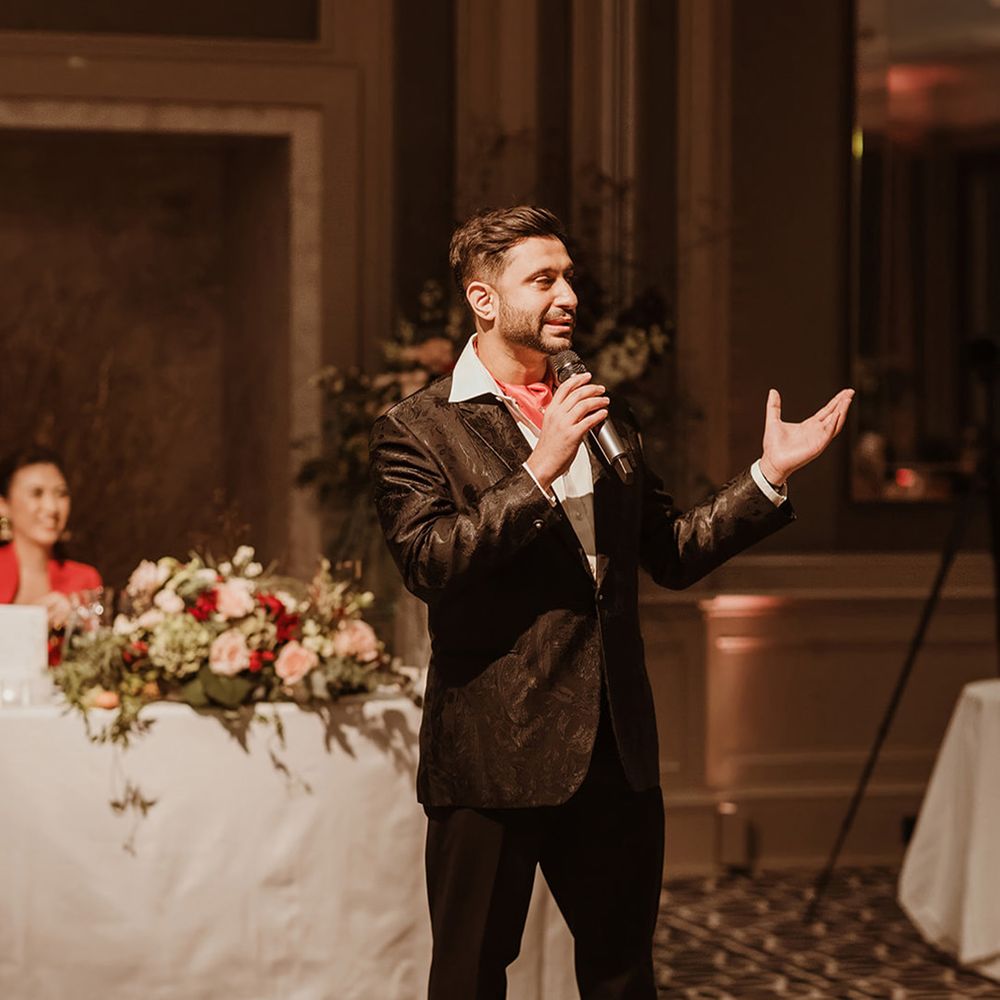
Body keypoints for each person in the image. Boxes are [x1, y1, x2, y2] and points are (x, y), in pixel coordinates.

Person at [369, 206, 853, 999]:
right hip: (492, 753)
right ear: (483, 301)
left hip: (613, 750)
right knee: (469, 974)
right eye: (544, 279)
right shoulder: (417, 429)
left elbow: (672, 552)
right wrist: (541, 464)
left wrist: (768, 477)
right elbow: (431, 563)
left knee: (623, 975)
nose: (568, 296)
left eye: (569, 278)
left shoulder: (602, 410)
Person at [0, 446, 102, 627]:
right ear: (4, 505)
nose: (52, 508)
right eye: (36, 494)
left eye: (61, 494)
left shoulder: (84, 580)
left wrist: (76, 618)